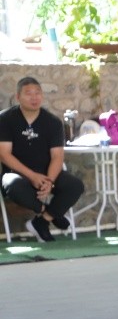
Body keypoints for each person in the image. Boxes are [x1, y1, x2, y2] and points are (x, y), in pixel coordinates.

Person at [0, 76, 84, 242]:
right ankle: (51, 213)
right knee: (13, 185)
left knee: (75, 185)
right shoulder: (5, 119)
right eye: (28, 93)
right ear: (18, 97)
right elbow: (4, 154)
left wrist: (49, 181)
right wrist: (32, 176)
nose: (34, 97)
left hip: (47, 174)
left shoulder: (52, 122)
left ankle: (42, 221)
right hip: (17, 174)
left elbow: (57, 156)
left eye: (37, 93)